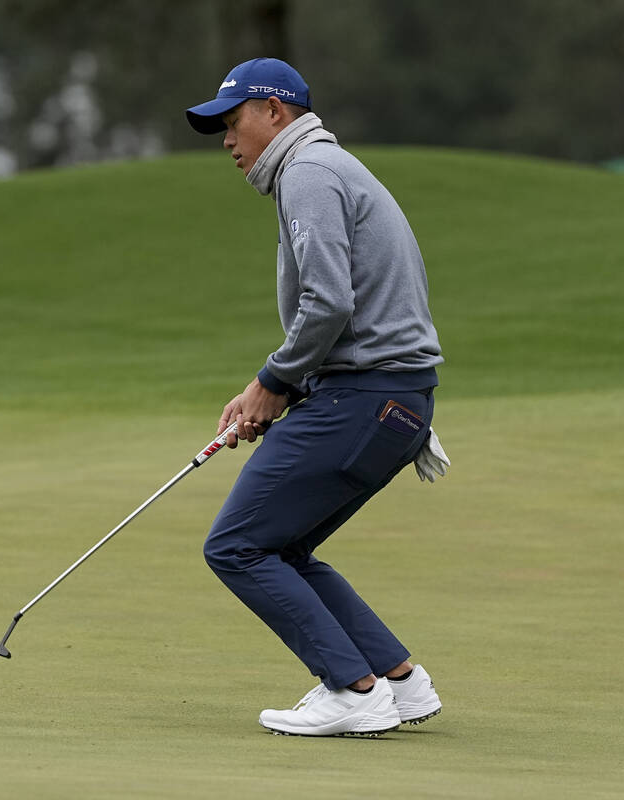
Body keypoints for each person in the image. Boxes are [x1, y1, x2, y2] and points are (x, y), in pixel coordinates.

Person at [185, 57, 450, 737]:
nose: (225, 138)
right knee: (285, 548)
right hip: (394, 403)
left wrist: (272, 382)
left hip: (364, 399)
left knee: (237, 545)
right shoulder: (326, 169)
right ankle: (397, 679)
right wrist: (280, 389)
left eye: (232, 119)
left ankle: (351, 690)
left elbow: (328, 301)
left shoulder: (309, 172)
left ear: (275, 111)